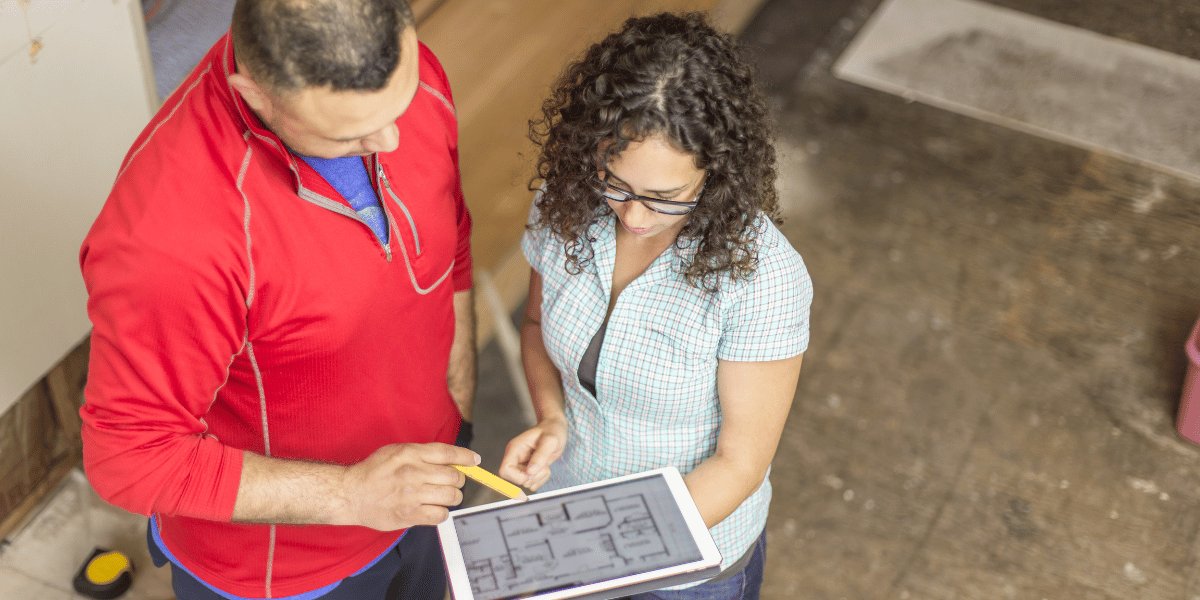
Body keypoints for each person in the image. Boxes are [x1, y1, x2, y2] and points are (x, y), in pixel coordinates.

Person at [78, 1, 479, 599]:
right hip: (284, 574)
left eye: (403, 98)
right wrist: (351, 495)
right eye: (349, 134)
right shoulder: (171, 241)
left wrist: (458, 408)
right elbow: (131, 458)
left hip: (419, 498)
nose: (393, 136)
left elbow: (453, 245)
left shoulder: (398, 86)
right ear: (256, 93)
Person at [498, 12, 812, 600]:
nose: (634, 217)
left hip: (687, 563)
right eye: (615, 183)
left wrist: (603, 549)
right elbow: (538, 324)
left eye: (665, 198)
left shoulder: (763, 277)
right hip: (567, 514)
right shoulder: (566, 205)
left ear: (717, 173)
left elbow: (739, 465)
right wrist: (551, 417)